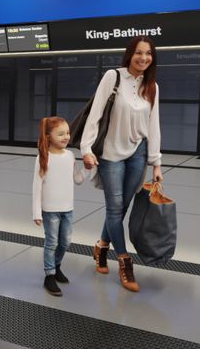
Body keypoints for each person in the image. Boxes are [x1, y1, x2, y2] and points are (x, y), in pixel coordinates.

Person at [81, 36, 163, 293]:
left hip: (138, 152)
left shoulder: (152, 86)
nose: (143, 58)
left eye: (148, 53)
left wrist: (156, 163)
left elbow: (153, 124)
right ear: (130, 54)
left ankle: (101, 246)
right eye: (139, 53)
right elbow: (95, 114)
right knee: (115, 208)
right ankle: (124, 262)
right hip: (111, 153)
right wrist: (85, 148)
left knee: (121, 207)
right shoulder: (113, 77)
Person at [32, 116, 85, 296]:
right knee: (52, 242)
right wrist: (36, 212)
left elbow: (77, 179)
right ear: (48, 137)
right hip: (50, 210)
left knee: (65, 242)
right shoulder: (43, 157)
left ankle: (56, 266)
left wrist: (87, 167)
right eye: (60, 134)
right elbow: (37, 186)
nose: (66, 137)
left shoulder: (70, 156)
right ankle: (49, 275)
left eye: (68, 133)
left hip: (67, 209)